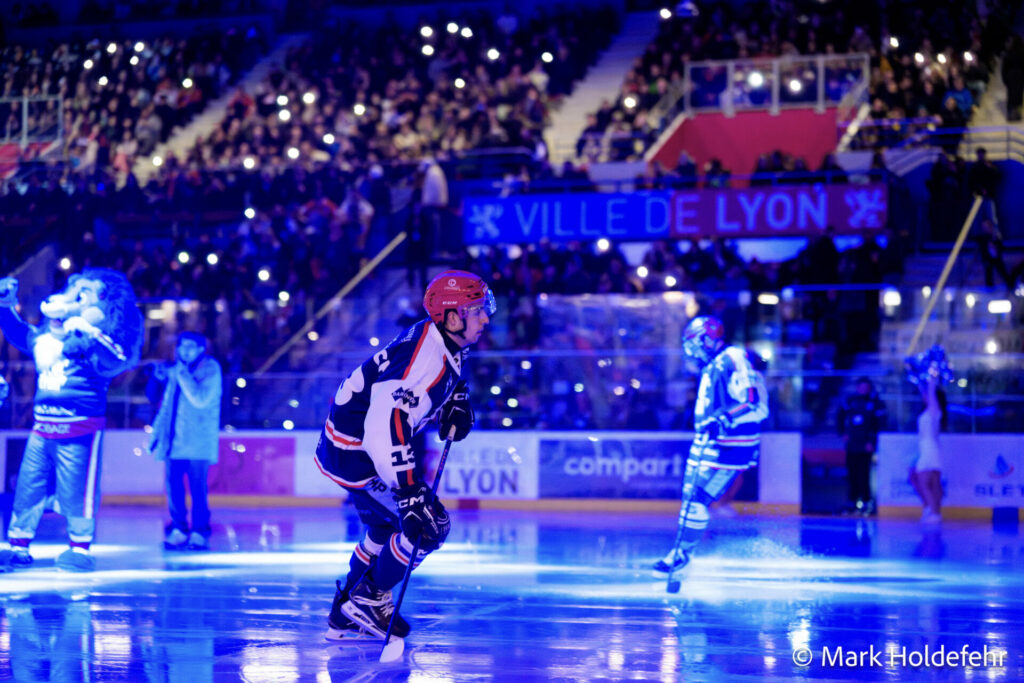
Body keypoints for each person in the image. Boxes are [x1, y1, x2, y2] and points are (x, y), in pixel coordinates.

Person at [315, 270, 494, 640]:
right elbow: (385, 421)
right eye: (477, 310)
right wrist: (408, 488)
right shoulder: (427, 355)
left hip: (348, 446)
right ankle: (369, 599)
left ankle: (345, 611)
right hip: (357, 453)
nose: (486, 317)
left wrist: (454, 395)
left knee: (385, 527)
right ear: (452, 316)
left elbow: (426, 382)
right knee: (428, 524)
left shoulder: (441, 338)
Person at [0, 270, 142, 572]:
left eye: (82, 296)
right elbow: (21, 333)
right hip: (42, 429)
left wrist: (91, 333)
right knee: (29, 486)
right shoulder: (47, 337)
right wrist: (4, 306)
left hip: (80, 430)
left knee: (76, 490)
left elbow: (117, 360)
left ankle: (79, 547)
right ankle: (18, 545)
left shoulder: (92, 341)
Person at [654, 316, 769, 576]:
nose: (692, 350)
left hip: (728, 445)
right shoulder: (715, 363)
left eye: (695, 343)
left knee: (696, 499)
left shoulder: (733, 358)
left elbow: (752, 401)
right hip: (711, 442)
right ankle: (681, 554)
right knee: (690, 499)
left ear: (708, 338)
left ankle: (681, 555)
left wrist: (725, 418)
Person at [146, 332, 223, 550]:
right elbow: (166, 405)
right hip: (173, 442)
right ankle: (179, 529)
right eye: (181, 346)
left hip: (198, 442)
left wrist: (180, 373)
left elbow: (200, 399)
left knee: (198, 489)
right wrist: (157, 434)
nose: (184, 351)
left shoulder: (211, 369)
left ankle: (200, 532)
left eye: (190, 347)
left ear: (201, 349)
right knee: (174, 489)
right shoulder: (177, 370)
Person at [836, 377, 887, 515]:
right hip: (852, 444)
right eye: (861, 387)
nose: (863, 389)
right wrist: (842, 433)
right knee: (852, 473)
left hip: (866, 445)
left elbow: (879, 424)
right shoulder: (850, 401)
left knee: (864, 474)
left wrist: (872, 441)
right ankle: (852, 502)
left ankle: (866, 502)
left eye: (866, 387)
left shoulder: (874, 402)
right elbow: (839, 416)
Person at [910, 376, 946, 524]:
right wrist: (920, 379)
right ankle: (932, 510)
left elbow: (930, 394)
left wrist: (932, 380)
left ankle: (933, 511)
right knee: (930, 482)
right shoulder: (928, 412)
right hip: (927, 447)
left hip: (930, 448)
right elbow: (924, 392)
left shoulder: (934, 411)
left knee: (925, 481)